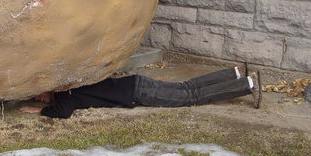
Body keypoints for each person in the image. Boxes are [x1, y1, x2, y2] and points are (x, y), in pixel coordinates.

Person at [19, 65, 262, 119]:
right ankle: (232, 74)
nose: (39, 97)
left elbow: (62, 113)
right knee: (185, 88)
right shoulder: (68, 83)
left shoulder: (64, 95)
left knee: (190, 97)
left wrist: (40, 110)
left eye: (39, 93)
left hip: (137, 93)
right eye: (36, 97)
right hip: (134, 82)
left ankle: (246, 85)